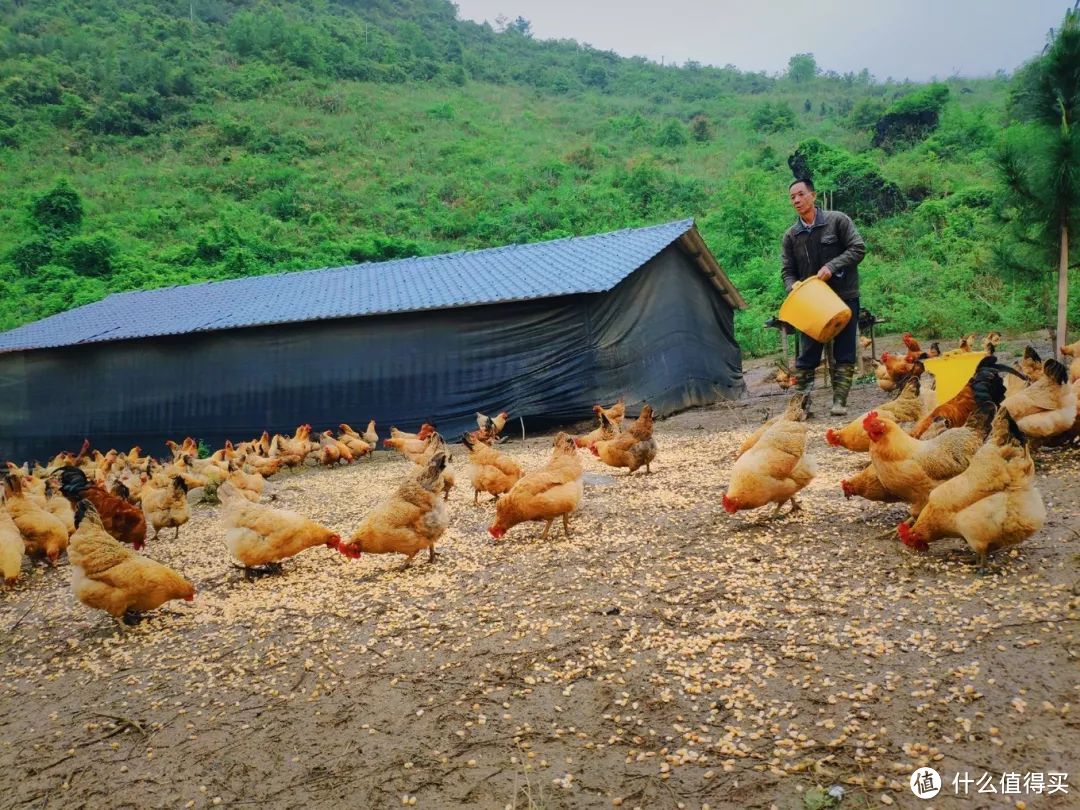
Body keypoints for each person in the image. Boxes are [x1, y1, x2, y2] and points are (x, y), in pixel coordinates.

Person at [780, 178, 866, 416]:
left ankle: (840, 402)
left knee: (845, 351)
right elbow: (787, 271)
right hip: (811, 304)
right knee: (807, 354)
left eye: (800, 194)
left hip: (843, 296)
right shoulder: (791, 235)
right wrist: (793, 286)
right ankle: (802, 406)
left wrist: (832, 266)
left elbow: (857, 248)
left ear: (813, 196)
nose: (796, 200)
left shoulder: (837, 221)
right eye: (792, 197)